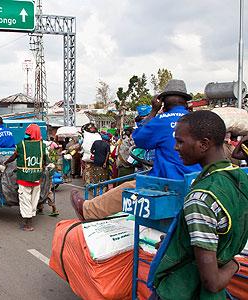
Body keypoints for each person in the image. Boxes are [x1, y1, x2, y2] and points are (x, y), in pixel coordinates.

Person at [150, 110, 248, 300]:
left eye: (180, 141)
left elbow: (212, 283)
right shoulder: (239, 179)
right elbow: (221, 232)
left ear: (204, 144)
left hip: (183, 291)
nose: (176, 148)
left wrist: (234, 265)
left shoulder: (201, 197)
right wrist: (178, 241)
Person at [71, 79, 202, 220]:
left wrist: (154, 111)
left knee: (126, 188)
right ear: (185, 101)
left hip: (168, 183)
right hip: (196, 182)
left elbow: (138, 139)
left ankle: (88, 211)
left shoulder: (161, 120)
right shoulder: (198, 121)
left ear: (163, 102)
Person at [4, 124, 49, 231]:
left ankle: (28, 224)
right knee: (34, 199)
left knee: (25, 200)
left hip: (24, 178)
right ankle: (30, 218)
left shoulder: (21, 145)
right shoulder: (42, 145)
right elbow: (45, 161)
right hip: (37, 178)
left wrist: (5, 162)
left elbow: (13, 157)